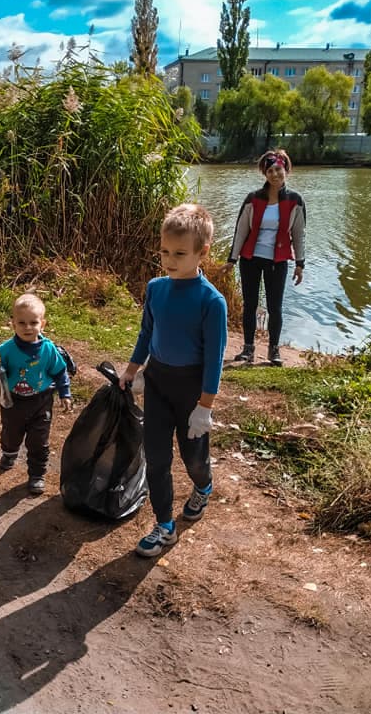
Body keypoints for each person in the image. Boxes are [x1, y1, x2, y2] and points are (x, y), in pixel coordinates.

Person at [118, 203, 228, 558]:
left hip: (192, 391)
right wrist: (133, 370)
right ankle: (165, 526)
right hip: (159, 384)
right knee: (156, 458)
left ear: (202, 252)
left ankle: (204, 487)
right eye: (165, 251)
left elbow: (214, 358)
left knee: (194, 459)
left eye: (179, 253)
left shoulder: (212, 302)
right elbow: (146, 333)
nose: (169, 260)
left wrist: (205, 407)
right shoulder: (156, 288)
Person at [220, 149, 305, 366]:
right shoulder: (253, 198)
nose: (275, 174)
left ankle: (273, 350)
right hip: (250, 259)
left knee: (275, 307)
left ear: (285, 169)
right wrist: (232, 260)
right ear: (265, 174)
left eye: (278, 169)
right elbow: (241, 230)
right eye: (270, 171)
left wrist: (300, 264)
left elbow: (298, 234)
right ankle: (248, 349)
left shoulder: (295, 201)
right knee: (250, 305)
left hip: (278, 261)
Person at [0, 293, 73, 495]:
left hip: (41, 400)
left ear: (42, 324)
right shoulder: (5, 350)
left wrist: (65, 393)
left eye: (33, 322)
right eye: (21, 323)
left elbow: (59, 371)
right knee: (11, 434)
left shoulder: (48, 349)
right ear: (13, 324)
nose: (27, 327)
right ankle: (10, 452)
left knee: (39, 440)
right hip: (14, 402)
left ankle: (37, 474)